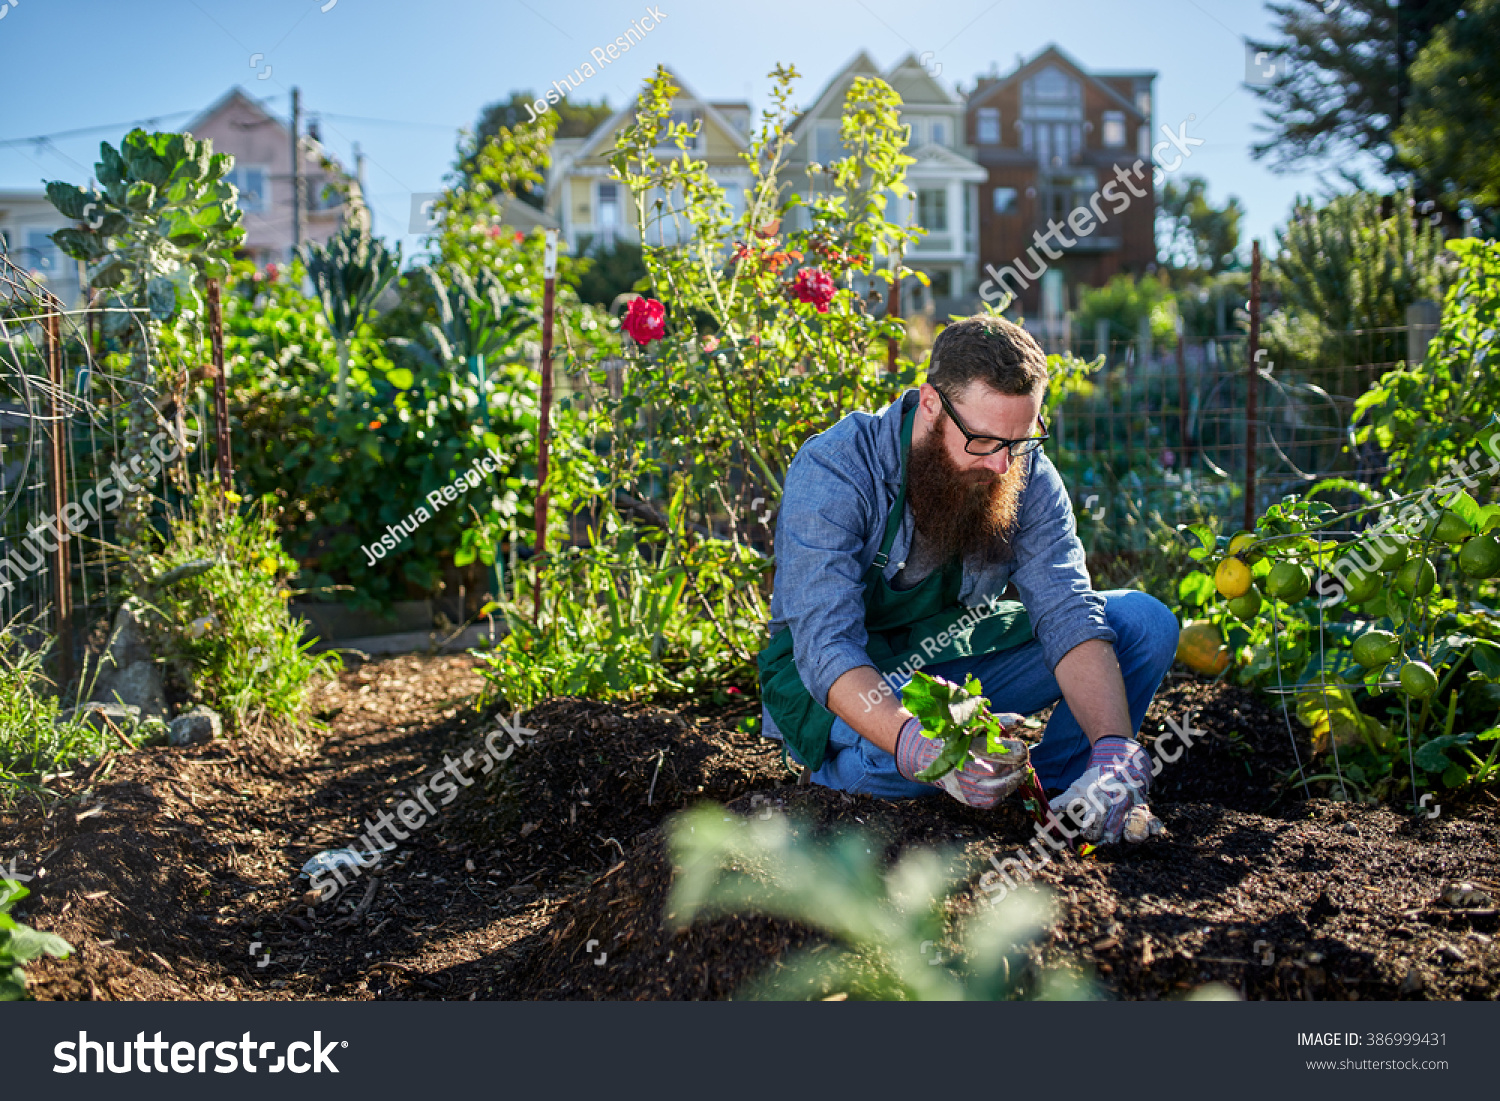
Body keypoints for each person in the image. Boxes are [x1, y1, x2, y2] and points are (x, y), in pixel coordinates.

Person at [757, 315, 1178, 845]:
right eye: (983, 441)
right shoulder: (838, 469)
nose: (1003, 465)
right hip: (842, 681)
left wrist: (1113, 745)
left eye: (1020, 441)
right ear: (931, 404)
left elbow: (1067, 609)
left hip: (949, 660)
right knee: (896, 761)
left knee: (1143, 623)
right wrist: (914, 742)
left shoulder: (1023, 471)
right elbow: (826, 647)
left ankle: (1063, 797)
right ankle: (840, 782)